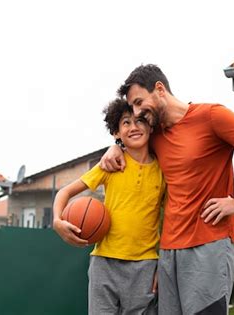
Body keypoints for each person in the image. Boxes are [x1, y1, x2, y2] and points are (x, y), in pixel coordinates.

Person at [100, 64, 234, 315]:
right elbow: (130, 140)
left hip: (209, 244)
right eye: (133, 106)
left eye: (139, 102)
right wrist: (116, 145)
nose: (137, 112)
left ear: (159, 89)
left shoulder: (212, 115)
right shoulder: (155, 134)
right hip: (170, 251)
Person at [53, 98, 165, 315]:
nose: (134, 127)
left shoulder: (163, 171)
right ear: (116, 132)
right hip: (104, 262)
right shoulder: (110, 165)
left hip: (146, 264)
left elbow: (170, 219)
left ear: (150, 126)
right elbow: (64, 192)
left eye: (140, 121)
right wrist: (57, 220)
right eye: (126, 123)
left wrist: (163, 264)